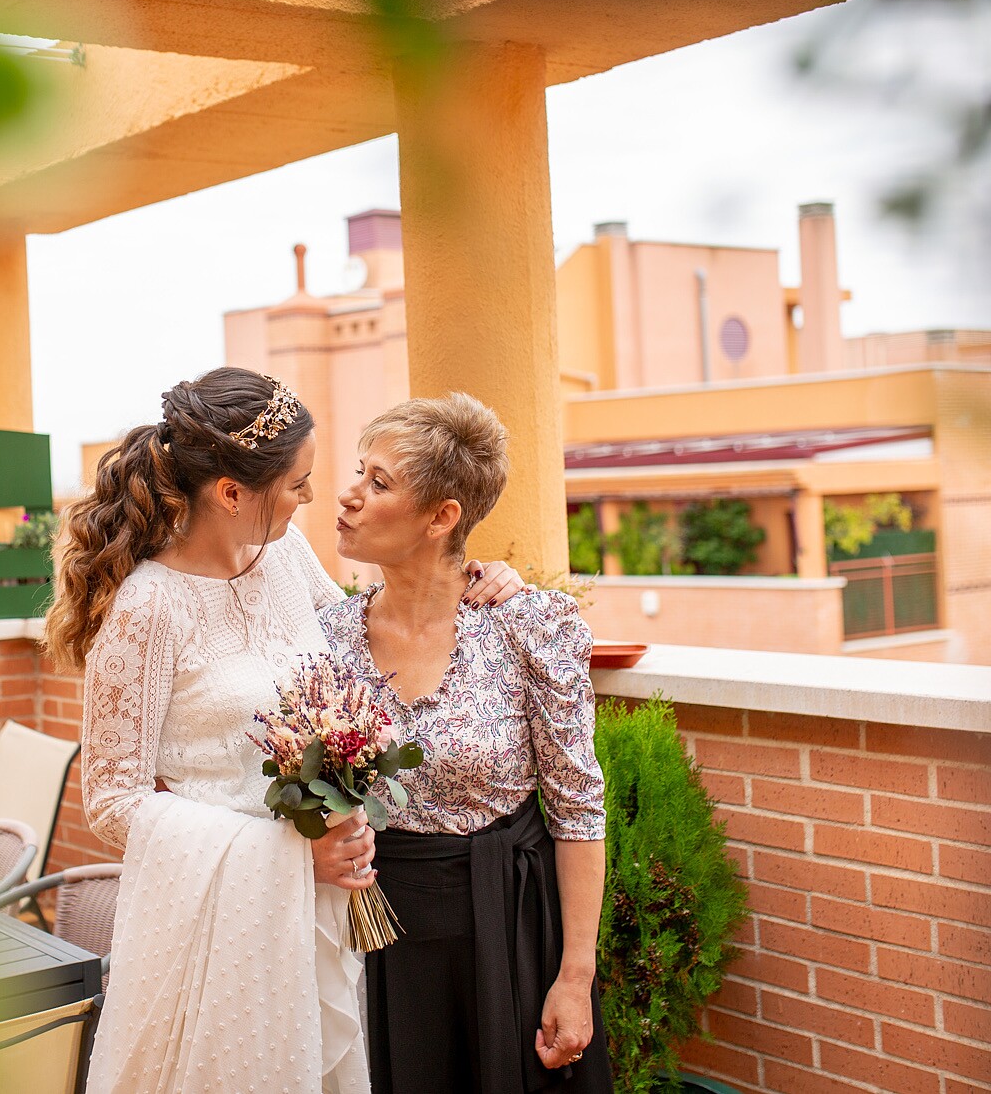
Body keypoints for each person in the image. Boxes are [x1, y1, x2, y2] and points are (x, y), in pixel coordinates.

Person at [50, 368, 521, 1094]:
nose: (311, 498)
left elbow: (365, 645)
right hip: (219, 930)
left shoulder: (285, 557)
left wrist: (477, 581)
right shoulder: (148, 608)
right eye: (297, 484)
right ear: (232, 493)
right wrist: (286, 853)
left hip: (318, 917)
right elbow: (112, 800)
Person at [323, 392, 613, 1094]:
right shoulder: (325, 636)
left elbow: (577, 809)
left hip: (509, 930)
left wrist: (575, 976)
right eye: (358, 471)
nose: (349, 494)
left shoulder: (528, 625)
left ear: (442, 516)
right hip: (376, 940)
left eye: (378, 481)